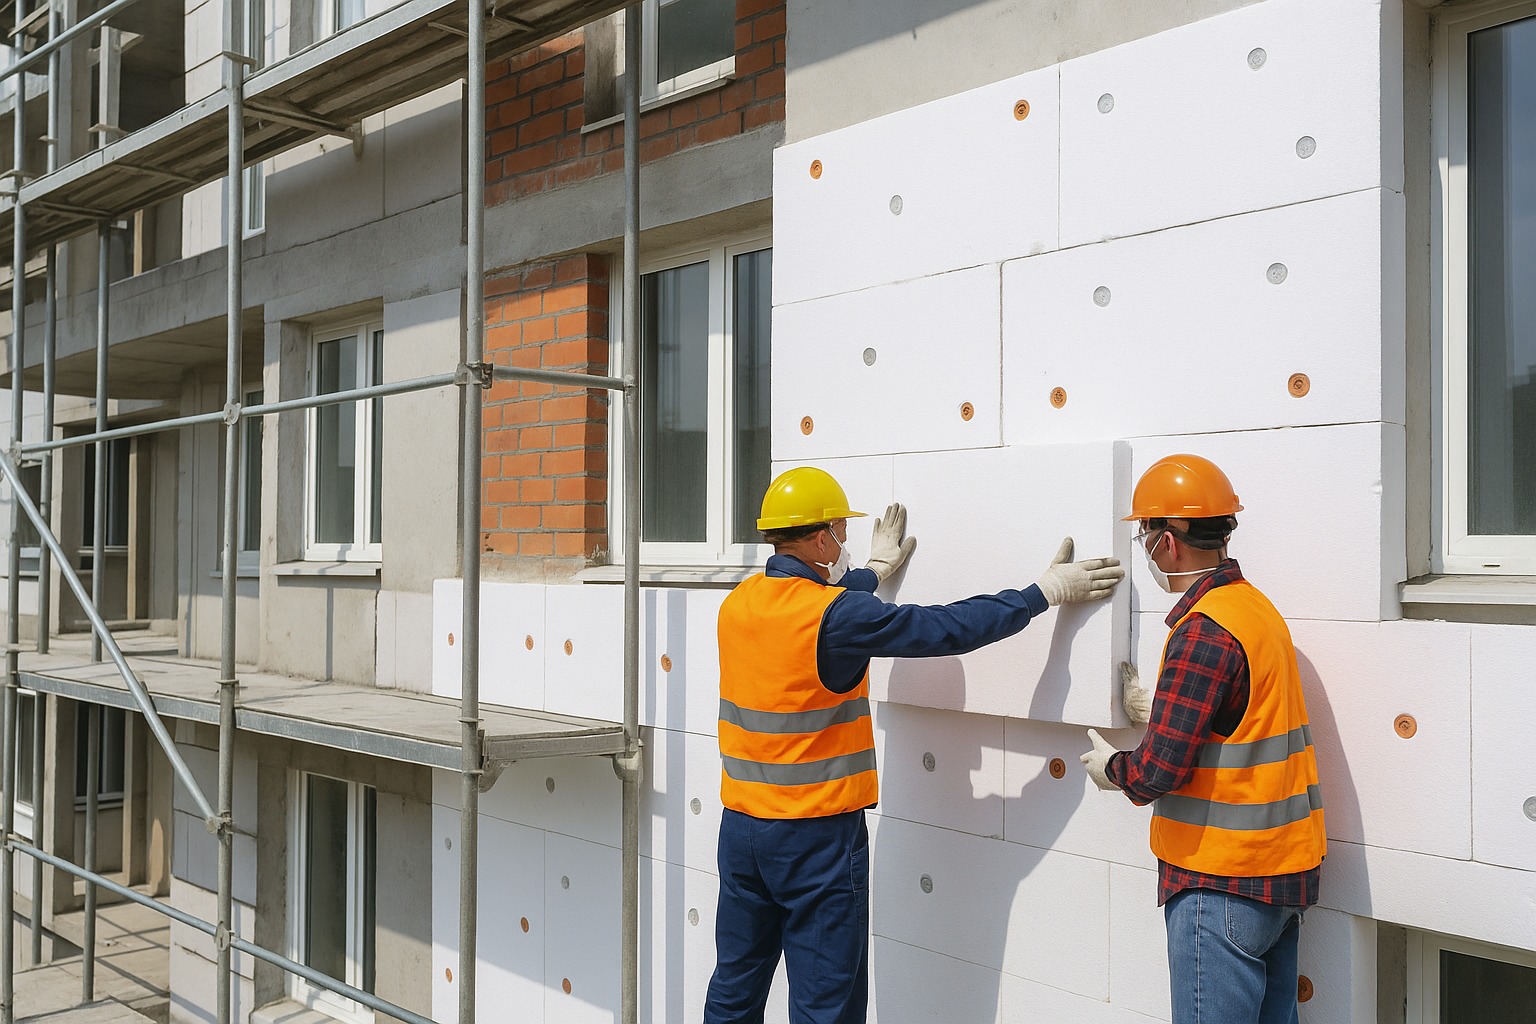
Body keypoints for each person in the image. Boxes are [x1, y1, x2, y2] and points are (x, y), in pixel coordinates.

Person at [704, 465, 1125, 1024]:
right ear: (820, 536)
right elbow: (947, 627)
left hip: (743, 832)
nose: (846, 542)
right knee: (824, 1005)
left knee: (735, 986)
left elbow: (815, 606)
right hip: (816, 839)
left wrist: (873, 573)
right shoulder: (837, 616)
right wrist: (1040, 593)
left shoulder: (740, 604)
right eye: (840, 530)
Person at [1079, 454, 1326, 1024]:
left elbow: (1156, 774)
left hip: (1221, 884)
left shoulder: (1202, 631)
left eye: (1145, 533)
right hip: (1281, 876)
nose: (1144, 545)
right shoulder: (1254, 608)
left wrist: (1111, 767)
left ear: (1168, 542)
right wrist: (1163, 709)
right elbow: (1241, 720)